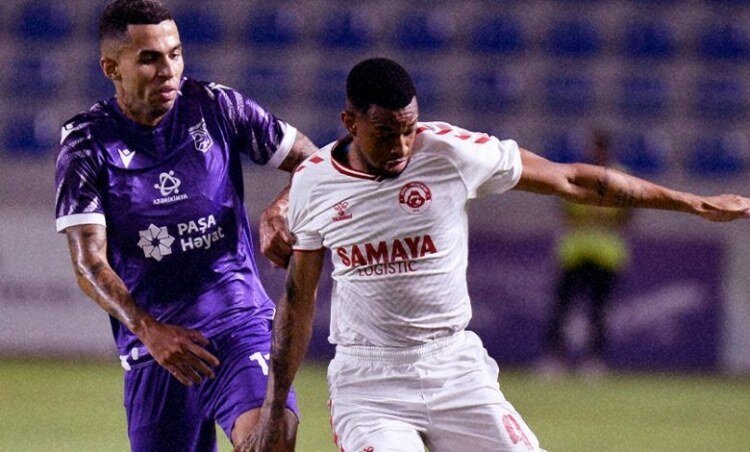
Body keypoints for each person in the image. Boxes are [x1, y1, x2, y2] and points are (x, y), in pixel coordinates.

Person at [238, 58, 750, 452]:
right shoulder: (313, 185)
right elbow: (299, 300)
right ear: (350, 122)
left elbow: (573, 179)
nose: (401, 146)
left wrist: (693, 202)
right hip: (369, 382)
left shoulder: (451, 152)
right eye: (385, 134)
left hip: (454, 367)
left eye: (408, 129)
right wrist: (274, 407)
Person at [54, 1, 316, 451]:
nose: (168, 71)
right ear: (111, 68)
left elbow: (313, 161)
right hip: (155, 349)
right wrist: (148, 330)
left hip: (238, 322)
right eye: (149, 59)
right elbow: (88, 263)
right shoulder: (87, 143)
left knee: (272, 440)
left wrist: (282, 206)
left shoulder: (216, 106)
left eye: (175, 54)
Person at [541, 132, 630, 376]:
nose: (596, 153)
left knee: (598, 311)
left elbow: (627, 216)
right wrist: (595, 215)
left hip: (606, 253)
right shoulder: (578, 172)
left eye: (599, 148)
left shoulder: (621, 176)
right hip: (574, 251)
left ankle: (594, 361)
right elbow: (564, 209)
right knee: (562, 307)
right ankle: (554, 358)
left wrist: (595, 216)